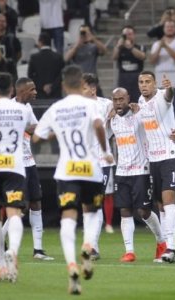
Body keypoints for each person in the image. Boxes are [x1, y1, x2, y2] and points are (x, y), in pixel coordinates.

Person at [33, 65, 113, 294]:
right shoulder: (91, 104)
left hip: (67, 170)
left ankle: (71, 264)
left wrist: (56, 132)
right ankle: (88, 245)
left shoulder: (56, 108)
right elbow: (99, 125)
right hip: (90, 169)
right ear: (81, 83)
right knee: (92, 213)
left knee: (68, 218)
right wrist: (105, 149)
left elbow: (37, 137)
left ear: (63, 85)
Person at [0, 72, 31, 283]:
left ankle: (1, 266)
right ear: (11, 90)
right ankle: (14, 251)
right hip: (14, 166)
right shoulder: (22, 110)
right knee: (14, 213)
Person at [109, 88, 167, 263]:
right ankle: (129, 251)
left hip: (141, 170)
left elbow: (154, 122)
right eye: (115, 100)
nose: (118, 103)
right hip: (122, 171)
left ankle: (162, 242)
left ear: (128, 99)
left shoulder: (139, 116)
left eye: (121, 99)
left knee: (143, 211)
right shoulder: (112, 120)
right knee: (125, 210)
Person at [3, 77, 54, 260]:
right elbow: (33, 129)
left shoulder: (27, 107)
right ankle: (1, 239)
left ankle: (38, 249)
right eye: (32, 89)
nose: (35, 92)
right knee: (20, 206)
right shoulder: (9, 108)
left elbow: (34, 130)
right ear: (22, 91)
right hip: (15, 164)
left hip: (29, 162)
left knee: (36, 203)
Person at [137, 70, 175, 263]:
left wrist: (169, 88)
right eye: (141, 82)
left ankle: (171, 248)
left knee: (168, 200)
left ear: (155, 84)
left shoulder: (161, 97)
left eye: (148, 81)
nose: (144, 85)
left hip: (171, 155)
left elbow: (169, 96)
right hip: (153, 159)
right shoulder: (140, 101)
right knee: (161, 207)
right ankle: (167, 249)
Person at [81, 73, 115, 259]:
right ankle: (91, 244)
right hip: (82, 162)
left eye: (84, 87)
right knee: (87, 204)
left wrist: (118, 111)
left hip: (101, 161)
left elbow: (121, 108)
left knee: (96, 201)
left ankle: (92, 246)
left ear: (93, 89)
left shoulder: (106, 104)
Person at [150, 20, 175, 120]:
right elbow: (152, 61)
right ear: (164, 29)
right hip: (161, 79)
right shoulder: (156, 44)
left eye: (172, 27)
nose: (169, 28)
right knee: (161, 109)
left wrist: (166, 46)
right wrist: (160, 47)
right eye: (167, 27)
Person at [112, 25, 146, 103]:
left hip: (136, 76)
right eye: (125, 35)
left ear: (134, 35)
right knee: (124, 100)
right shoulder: (120, 48)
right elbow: (114, 57)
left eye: (130, 34)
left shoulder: (140, 46)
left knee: (137, 99)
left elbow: (142, 56)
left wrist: (130, 47)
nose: (127, 37)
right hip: (123, 77)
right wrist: (118, 46)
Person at [28, 32, 65, 100]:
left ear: (40, 42)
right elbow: (61, 75)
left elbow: (30, 76)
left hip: (40, 94)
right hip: (55, 94)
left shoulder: (34, 57)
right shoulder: (58, 57)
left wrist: (42, 86)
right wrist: (52, 86)